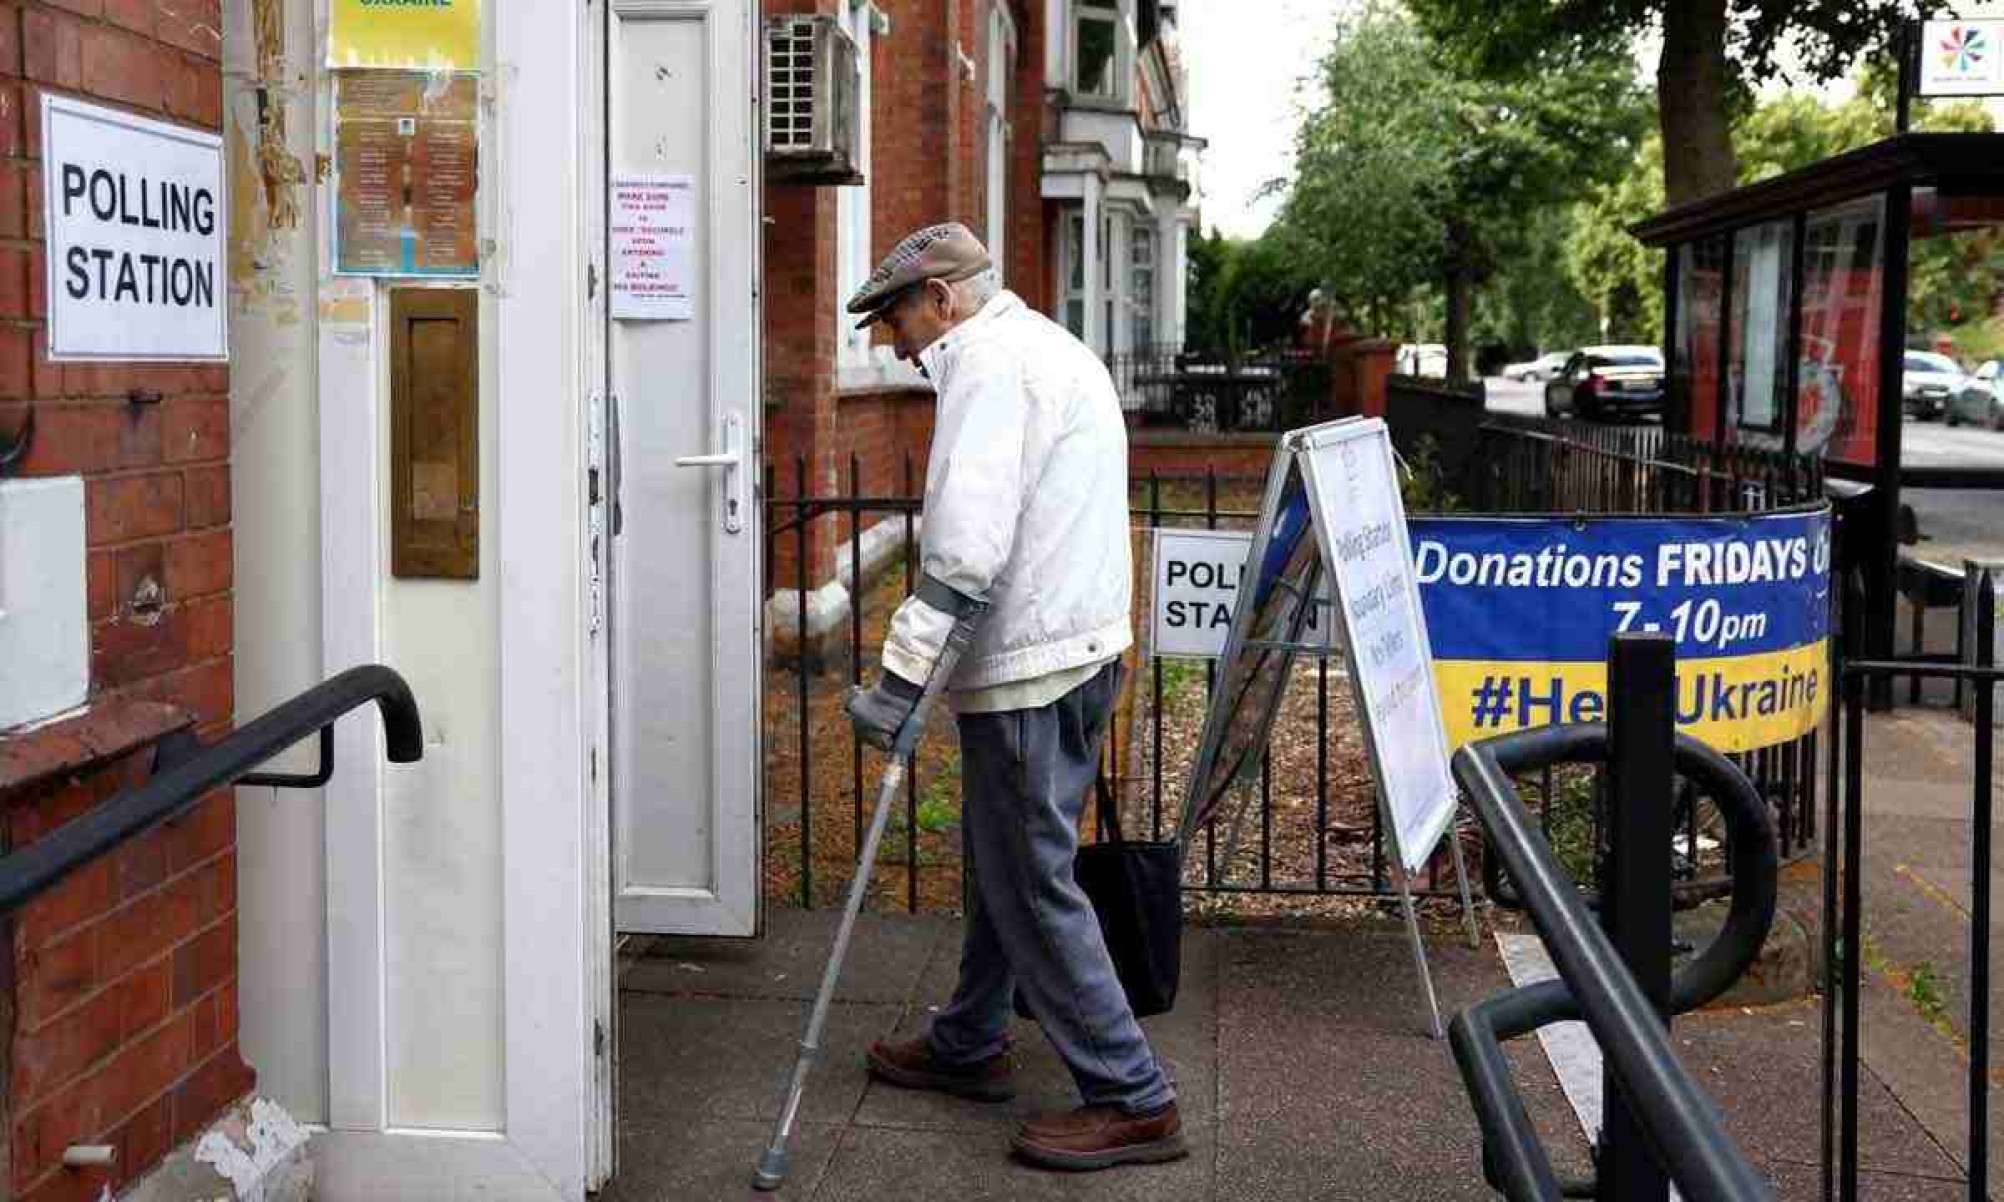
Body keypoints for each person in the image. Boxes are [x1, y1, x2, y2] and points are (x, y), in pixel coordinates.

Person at [842, 223, 1183, 1171]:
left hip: (1034, 665)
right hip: (1077, 645)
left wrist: (900, 681)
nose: (896, 343)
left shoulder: (988, 365)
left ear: (942, 301)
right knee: (1008, 861)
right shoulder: (1047, 346)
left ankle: (1131, 1092)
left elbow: (962, 546)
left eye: (899, 318)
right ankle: (970, 1039)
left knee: (1031, 879)